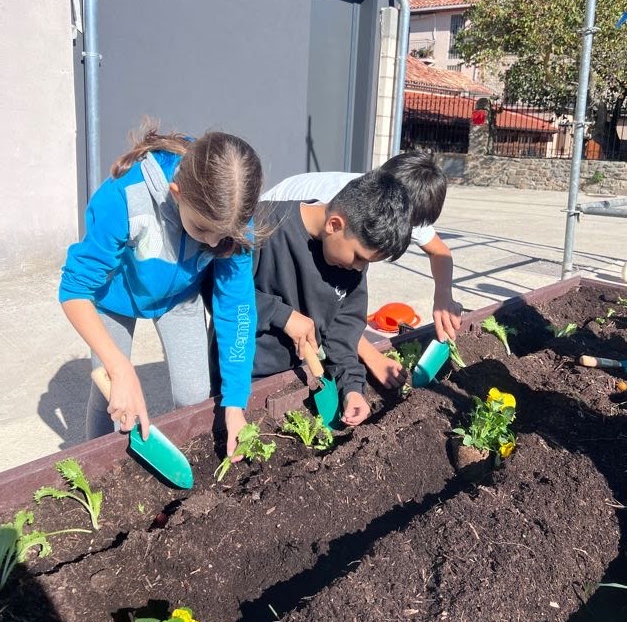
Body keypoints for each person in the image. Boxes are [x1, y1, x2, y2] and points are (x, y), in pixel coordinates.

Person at [59, 122, 261, 457]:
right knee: (113, 393)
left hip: (178, 298)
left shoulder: (234, 219)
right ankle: (97, 462)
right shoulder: (125, 195)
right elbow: (74, 289)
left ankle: (177, 456)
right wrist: (120, 367)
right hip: (113, 296)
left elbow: (236, 305)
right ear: (177, 192)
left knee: (194, 392)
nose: (213, 244)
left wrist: (236, 403)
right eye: (202, 230)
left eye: (221, 237)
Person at [261, 152, 462, 389]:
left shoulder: (393, 213)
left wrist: (443, 295)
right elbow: (329, 307)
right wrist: (370, 355)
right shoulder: (347, 207)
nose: (361, 267)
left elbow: (439, 251)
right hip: (269, 239)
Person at [243, 171, 413, 426]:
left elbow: (343, 332)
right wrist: (284, 316)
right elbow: (223, 297)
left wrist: (352, 389)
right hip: (245, 377)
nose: (359, 268)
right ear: (334, 225)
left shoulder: (350, 263)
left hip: (300, 376)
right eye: (359, 257)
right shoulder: (263, 225)